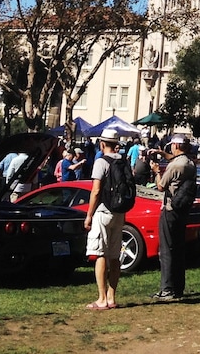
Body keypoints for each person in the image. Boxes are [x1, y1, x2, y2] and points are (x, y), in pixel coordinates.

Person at [82, 129, 126, 311]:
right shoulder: (122, 161)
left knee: (100, 253)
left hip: (103, 211)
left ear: (101, 144)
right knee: (115, 256)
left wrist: (89, 215)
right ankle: (111, 297)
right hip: (119, 212)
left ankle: (101, 299)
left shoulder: (101, 162)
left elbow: (96, 190)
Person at [152, 135, 196, 301]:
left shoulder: (174, 166)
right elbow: (177, 159)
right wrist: (162, 153)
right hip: (182, 209)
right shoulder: (189, 163)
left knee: (166, 250)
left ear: (176, 145)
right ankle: (178, 287)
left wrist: (157, 171)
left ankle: (167, 289)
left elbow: (161, 186)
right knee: (178, 249)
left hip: (170, 209)